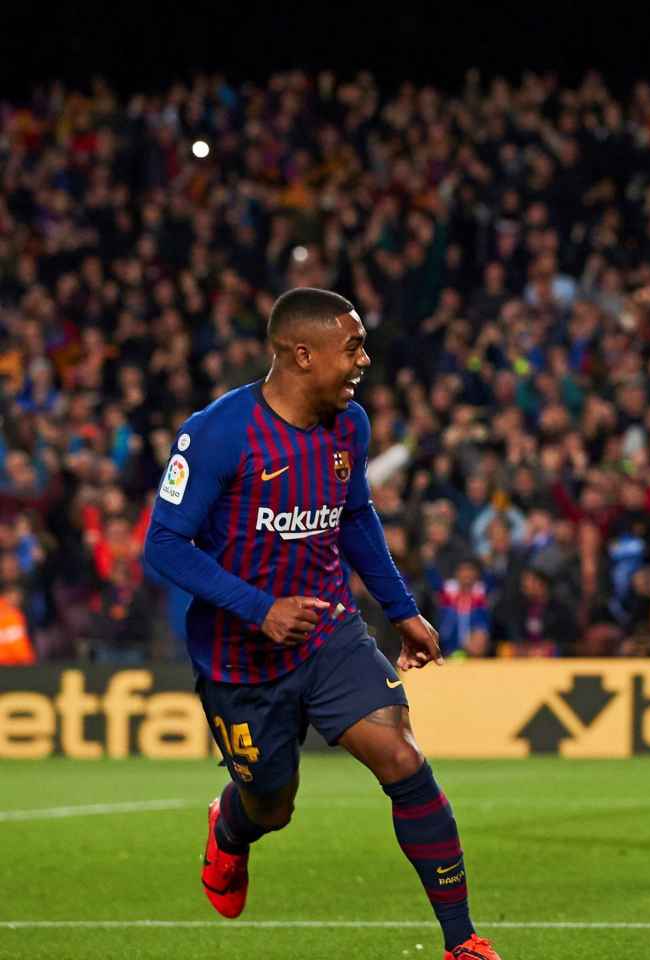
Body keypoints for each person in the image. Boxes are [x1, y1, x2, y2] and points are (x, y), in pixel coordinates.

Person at [142, 288, 501, 960]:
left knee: (403, 759)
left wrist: (401, 610)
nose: (364, 359)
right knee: (271, 806)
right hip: (239, 660)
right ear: (301, 354)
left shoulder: (350, 425)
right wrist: (259, 608)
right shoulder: (217, 433)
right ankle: (229, 829)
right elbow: (163, 545)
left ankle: (463, 942)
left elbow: (355, 516)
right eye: (353, 346)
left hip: (329, 631)